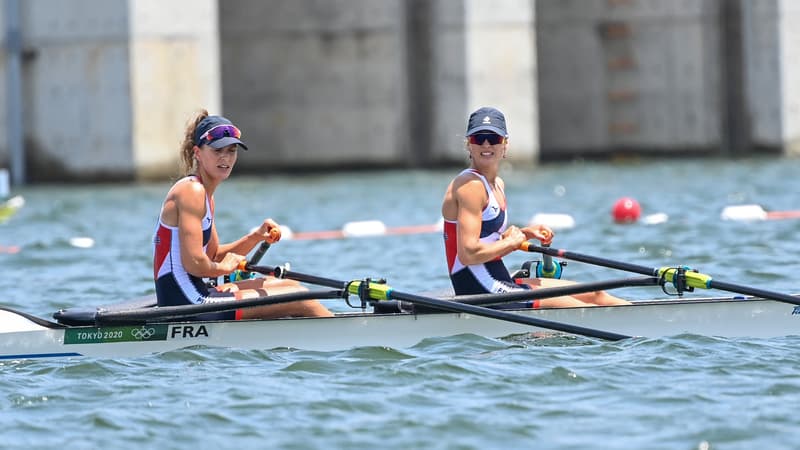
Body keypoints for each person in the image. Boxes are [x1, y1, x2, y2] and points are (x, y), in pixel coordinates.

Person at [153, 110, 333, 320]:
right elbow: (195, 264)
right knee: (299, 297)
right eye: (217, 150)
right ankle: (346, 338)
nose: (225, 158)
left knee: (289, 285)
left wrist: (256, 237)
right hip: (186, 303)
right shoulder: (192, 191)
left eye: (231, 151)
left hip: (192, 293)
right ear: (198, 153)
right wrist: (223, 269)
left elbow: (212, 256)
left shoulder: (205, 195)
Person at [441, 106, 629, 307]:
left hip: (497, 280)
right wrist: (512, 242)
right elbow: (468, 254)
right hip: (479, 290)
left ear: (505, 144)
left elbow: (487, 242)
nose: (486, 144)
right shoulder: (471, 186)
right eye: (478, 138)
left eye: (493, 138)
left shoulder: (497, 184)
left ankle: (641, 329)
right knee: (581, 308)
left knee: (596, 295)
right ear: (469, 145)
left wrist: (524, 234)